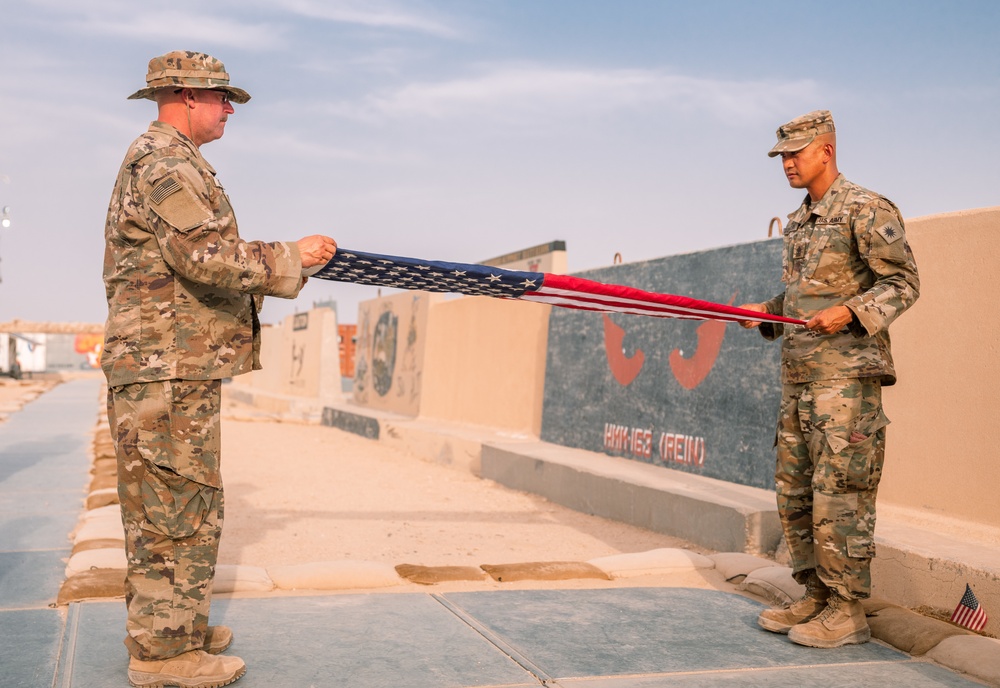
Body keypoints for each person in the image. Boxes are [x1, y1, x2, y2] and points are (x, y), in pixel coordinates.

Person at [102, 50, 337, 687]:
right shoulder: (164, 163)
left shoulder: (173, 160)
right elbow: (208, 257)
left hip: (173, 366)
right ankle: (166, 656)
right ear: (184, 96)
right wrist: (296, 255)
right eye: (220, 97)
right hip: (163, 370)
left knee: (181, 499)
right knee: (172, 506)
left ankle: (177, 626)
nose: (230, 109)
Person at [738, 110, 919, 648]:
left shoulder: (867, 208)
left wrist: (850, 312)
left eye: (796, 152)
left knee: (841, 496)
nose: (788, 163)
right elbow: (801, 300)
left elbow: (904, 283)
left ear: (826, 151)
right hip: (800, 381)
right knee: (796, 496)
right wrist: (767, 312)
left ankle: (847, 611)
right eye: (782, 156)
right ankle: (816, 594)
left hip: (845, 385)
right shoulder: (801, 220)